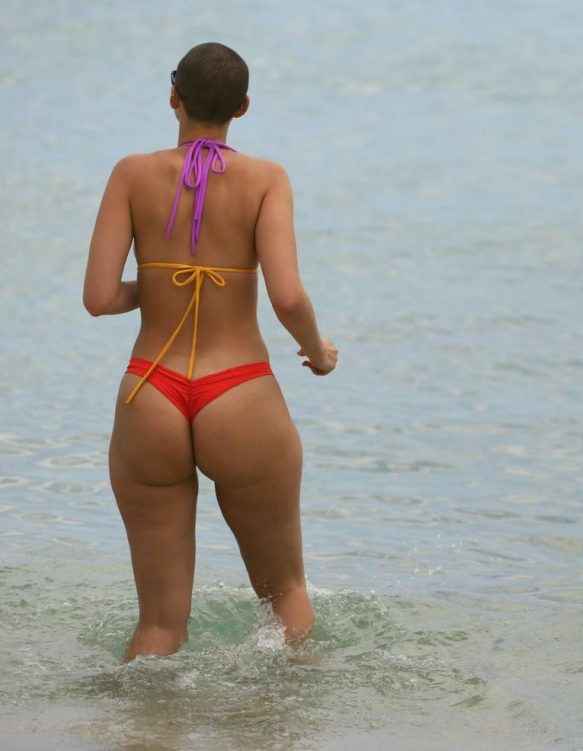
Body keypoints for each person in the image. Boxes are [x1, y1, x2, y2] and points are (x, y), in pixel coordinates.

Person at [83, 42, 338, 660]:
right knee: (285, 596)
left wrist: (160, 285)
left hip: (151, 392)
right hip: (239, 390)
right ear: (243, 107)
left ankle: (139, 712)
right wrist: (319, 352)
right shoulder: (267, 180)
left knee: (159, 628)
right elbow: (287, 296)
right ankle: (286, 711)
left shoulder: (130, 174)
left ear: (174, 97)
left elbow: (98, 297)